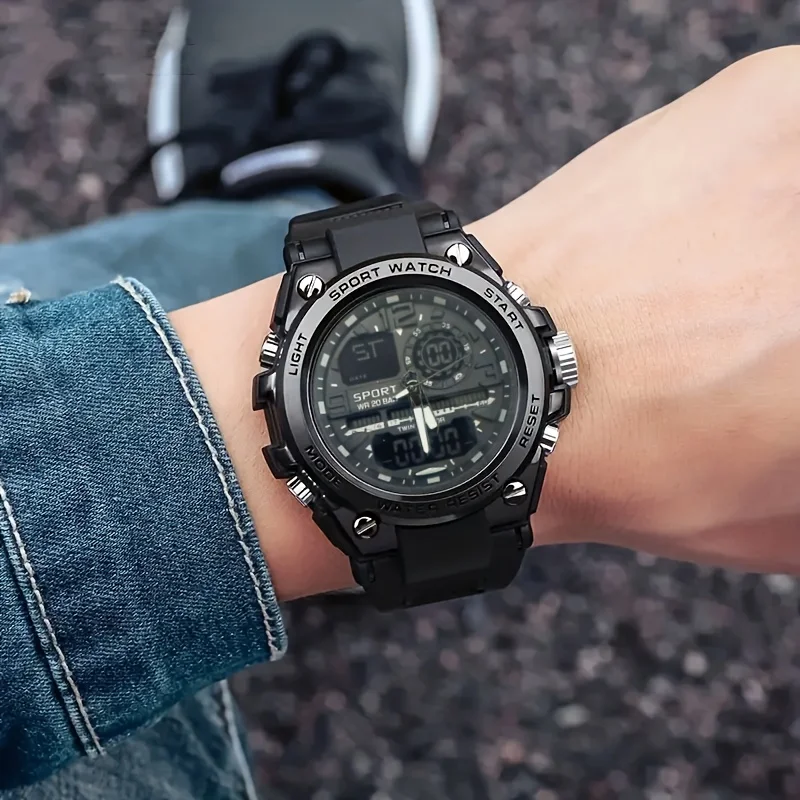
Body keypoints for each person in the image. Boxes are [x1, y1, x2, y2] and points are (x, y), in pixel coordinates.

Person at [0, 0, 798, 793]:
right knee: (134, 284)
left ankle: (273, 208)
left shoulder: (517, 375)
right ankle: (286, 218)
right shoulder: (386, 409)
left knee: (91, 288)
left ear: (551, 363)